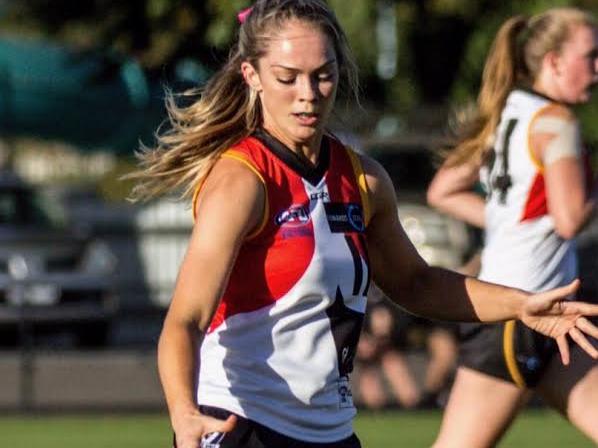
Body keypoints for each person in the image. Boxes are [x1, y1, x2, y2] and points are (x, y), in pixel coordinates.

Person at [127, 2, 598, 447]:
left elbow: (417, 283)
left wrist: (521, 304)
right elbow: (185, 320)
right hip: (243, 424)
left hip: (329, 431)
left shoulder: (364, 178)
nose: (308, 95)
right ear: (252, 76)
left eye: (323, 76)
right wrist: (183, 411)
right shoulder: (243, 181)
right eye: (287, 78)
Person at [427, 7, 598, 447]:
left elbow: (443, 189)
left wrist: (508, 223)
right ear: (554, 62)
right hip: (516, 312)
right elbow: (571, 217)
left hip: (553, 313)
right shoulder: (556, 121)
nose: (597, 69)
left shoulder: (508, 111)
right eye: (590, 56)